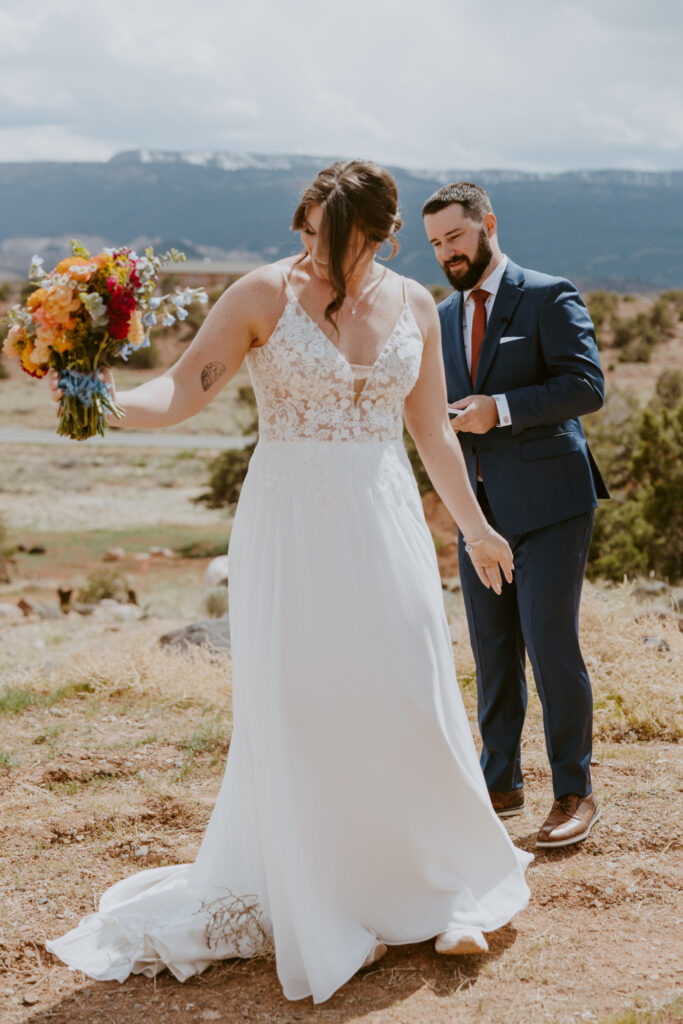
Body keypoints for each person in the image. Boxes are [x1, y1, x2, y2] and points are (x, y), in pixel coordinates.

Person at [45, 161, 531, 1004]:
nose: (310, 251)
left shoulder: (416, 304)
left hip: (383, 520)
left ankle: (437, 886)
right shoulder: (261, 295)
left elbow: (432, 436)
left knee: (407, 688)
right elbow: (181, 389)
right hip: (291, 526)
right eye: (304, 231)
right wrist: (96, 399)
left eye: (330, 239)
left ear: (377, 237)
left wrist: (476, 526)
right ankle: (334, 902)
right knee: (306, 703)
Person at [422, 182, 609, 849]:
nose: (447, 253)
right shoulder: (440, 316)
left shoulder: (547, 294)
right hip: (478, 512)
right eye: (436, 243)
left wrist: (497, 408)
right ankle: (498, 782)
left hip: (553, 504)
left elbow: (586, 386)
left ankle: (572, 791)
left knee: (548, 644)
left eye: (455, 237)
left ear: (486, 225)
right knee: (492, 651)